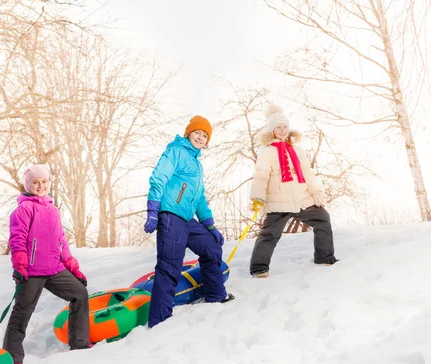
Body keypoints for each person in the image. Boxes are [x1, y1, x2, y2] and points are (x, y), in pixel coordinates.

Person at [144, 115, 234, 328]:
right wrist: (153, 209)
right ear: (188, 133)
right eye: (197, 133)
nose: (201, 138)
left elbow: (200, 197)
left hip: (187, 218)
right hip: (171, 216)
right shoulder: (176, 151)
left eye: (205, 135)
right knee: (169, 266)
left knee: (212, 248)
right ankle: (160, 319)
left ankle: (215, 294)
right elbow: (159, 177)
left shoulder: (196, 164)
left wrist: (209, 224)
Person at [3, 164, 91, 364]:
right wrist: (20, 266)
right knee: (22, 312)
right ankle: (13, 359)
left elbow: (61, 241)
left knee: (80, 293)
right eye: (35, 182)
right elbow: (17, 240)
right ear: (28, 185)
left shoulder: (53, 210)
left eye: (44, 182)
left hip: (54, 269)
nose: (40, 186)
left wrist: (72, 267)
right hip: (31, 271)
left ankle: (79, 342)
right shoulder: (23, 209)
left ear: (49, 183)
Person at [249, 105, 338, 278]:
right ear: (272, 131)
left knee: (323, 218)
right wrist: (257, 198)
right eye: (278, 127)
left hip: (302, 199)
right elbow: (261, 176)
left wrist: (317, 191)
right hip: (278, 202)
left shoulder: (297, 150)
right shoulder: (268, 152)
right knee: (269, 234)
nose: (282, 131)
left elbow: (308, 174)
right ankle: (259, 268)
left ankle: (325, 257)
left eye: (285, 127)